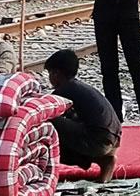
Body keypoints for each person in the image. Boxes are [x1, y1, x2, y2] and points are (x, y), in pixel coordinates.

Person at [46, 49, 120, 183]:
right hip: (113, 137)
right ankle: (103, 160)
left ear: (56, 74)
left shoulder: (64, 90)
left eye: (50, 73)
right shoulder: (78, 87)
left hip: (98, 140)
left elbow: (45, 108)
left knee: (47, 120)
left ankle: (44, 169)